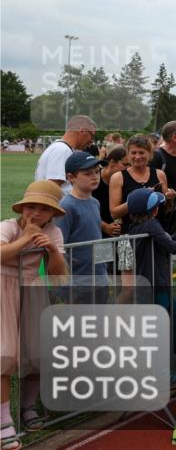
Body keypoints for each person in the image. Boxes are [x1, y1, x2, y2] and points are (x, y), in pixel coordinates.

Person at [1, 181, 68, 446]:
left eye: (44, 209)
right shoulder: (8, 226)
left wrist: (51, 249)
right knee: (3, 354)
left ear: (52, 213)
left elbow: (59, 275)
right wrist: (27, 238)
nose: (36, 213)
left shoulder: (53, 232)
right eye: (31, 206)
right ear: (22, 207)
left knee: (37, 353)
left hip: (32, 291)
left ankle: (28, 406)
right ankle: (4, 421)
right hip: (3, 289)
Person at [109, 136, 172, 300]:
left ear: (150, 154)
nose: (137, 157)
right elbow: (114, 212)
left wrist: (170, 198)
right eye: (133, 153)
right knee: (128, 288)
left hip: (154, 236)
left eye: (142, 152)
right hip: (126, 238)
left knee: (157, 282)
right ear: (127, 155)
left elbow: (165, 207)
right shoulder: (118, 177)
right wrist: (141, 198)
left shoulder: (160, 175)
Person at [128, 188, 176, 349]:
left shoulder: (137, 227)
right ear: (155, 210)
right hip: (155, 284)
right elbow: (171, 246)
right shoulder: (151, 224)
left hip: (155, 282)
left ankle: (174, 350)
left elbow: (162, 240)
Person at [57, 152, 110, 301]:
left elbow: (96, 237)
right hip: (78, 283)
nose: (95, 176)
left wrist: (104, 271)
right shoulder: (66, 207)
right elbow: (60, 247)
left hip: (99, 278)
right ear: (71, 177)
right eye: (87, 173)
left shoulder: (95, 202)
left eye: (96, 172)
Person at [33, 115, 97, 194]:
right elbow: (53, 186)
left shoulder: (62, 148)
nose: (92, 141)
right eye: (92, 135)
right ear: (82, 130)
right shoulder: (62, 150)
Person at [94, 147, 128, 235]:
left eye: (130, 165)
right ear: (112, 162)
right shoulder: (94, 179)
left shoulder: (125, 180)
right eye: (125, 164)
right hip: (96, 231)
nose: (128, 169)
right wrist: (105, 227)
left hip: (117, 232)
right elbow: (85, 210)